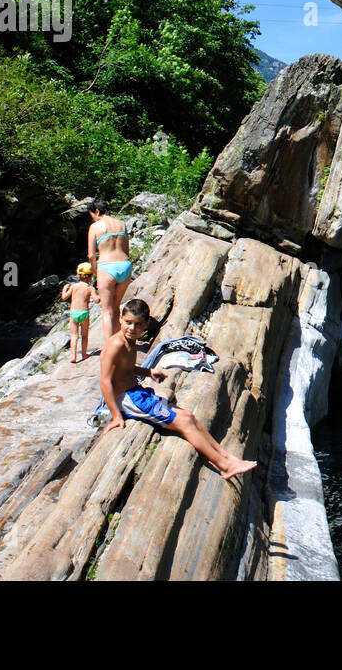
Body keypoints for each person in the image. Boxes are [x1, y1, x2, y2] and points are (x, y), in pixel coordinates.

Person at [100, 299, 257, 481]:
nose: (132, 328)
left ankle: (228, 457)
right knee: (185, 424)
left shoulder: (129, 340)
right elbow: (105, 381)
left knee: (189, 416)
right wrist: (116, 416)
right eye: (128, 322)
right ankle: (225, 466)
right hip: (129, 400)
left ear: (146, 325)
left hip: (137, 392)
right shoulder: (116, 344)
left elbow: (125, 368)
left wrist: (149, 372)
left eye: (138, 325)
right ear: (120, 319)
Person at [87, 198, 133, 347]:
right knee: (116, 307)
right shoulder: (122, 224)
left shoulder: (95, 226)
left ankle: (110, 348)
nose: (92, 218)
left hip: (106, 267)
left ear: (97, 211)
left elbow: (91, 255)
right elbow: (127, 250)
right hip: (125, 265)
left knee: (106, 310)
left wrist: (95, 272)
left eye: (92, 215)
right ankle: (121, 341)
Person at [61, 263, 100, 364]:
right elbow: (96, 300)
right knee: (84, 335)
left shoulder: (74, 286)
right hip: (84, 313)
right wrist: (100, 294)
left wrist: (65, 288)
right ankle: (83, 354)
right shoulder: (90, 288)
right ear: (91, 277)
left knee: (74, 335)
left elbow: (64, 297)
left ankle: (73, 356)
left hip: (73, 313)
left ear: (78, 275)